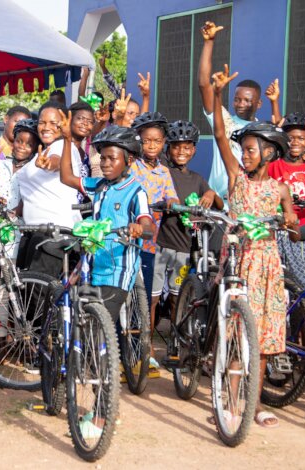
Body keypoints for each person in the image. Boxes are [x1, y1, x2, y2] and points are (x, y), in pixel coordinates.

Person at [211, 65, 298, 429]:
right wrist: (217, 95)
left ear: (267, 153)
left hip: (268, 267)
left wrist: (290, 222)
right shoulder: (235, 178)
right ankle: (230, 402)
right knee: (234, 337)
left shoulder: (280, 189)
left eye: (250, 150)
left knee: (260, 341)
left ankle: (254, 404)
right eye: (243, 149)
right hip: (238, 262)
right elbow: (218, 132)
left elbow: (291, 222)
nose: (244, 155)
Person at [58, 124, 154, 436]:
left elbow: (148, 223)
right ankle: (86, 390)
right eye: (103, 157)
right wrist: (68, 139)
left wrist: (140, 229)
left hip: (117, 273)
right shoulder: (99, 185)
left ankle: (101, 414)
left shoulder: (136, 190)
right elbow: (67, 178)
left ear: (127, 160)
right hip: (90, 266)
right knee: (84, 331)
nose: (107, 162)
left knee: (101, 340)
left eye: (112, 158)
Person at [155, 120, 221, 325]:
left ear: (193, 150)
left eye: (187, 147)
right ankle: (146, 345)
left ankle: (175, 343)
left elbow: (218, 205)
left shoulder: (197, 179)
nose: (181, 151)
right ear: (168, 148)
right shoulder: (163, 170)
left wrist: (211, 192)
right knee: (153, 298)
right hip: (160, 244)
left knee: (178, 296)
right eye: (175, 146)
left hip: (183, 248)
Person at [129, 111, 178, 376]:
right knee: (126, 298)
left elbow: (170, 196)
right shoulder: (131, 165)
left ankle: (142, 352)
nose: (151, 145)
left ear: (162, 143)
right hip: (128, 241)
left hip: (149, 246)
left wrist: (170, 201)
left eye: (156, 141)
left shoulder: (164, 171)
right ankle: (124, 350)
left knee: (145, 300)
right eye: (146, 140)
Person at [16, 101, 84, 278]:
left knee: (37, 295)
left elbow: (56, 162)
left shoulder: (64, 147)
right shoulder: (41, 151)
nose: (46, 127)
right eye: (42, 122)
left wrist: (48, 164)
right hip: (36, 232)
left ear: (64, 125)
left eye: (54, 123)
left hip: (55, 234)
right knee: (26, 297)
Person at [198, 22, 262, 202]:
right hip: (217, 204)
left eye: (247, 100)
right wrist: (209, 42)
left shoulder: (262, 132)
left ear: (259, 103)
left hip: (247, 204)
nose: (241, 104)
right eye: (237, 99)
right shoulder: (224, 120)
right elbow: (204, 85)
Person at [268, 112, 305, 288]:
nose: (295, 142)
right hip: (277, 230)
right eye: (291, 138)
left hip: (302, 233)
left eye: (301, 138)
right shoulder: (273, 166)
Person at [0, 117, 41, 258]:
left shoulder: (34, 170)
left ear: (35, 149)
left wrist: (15, 212)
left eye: (28, 144)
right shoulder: (0, 165)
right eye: (19, 141)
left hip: (18, 231)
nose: (21, 146)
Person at [68, 101, 98, 177]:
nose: (85, 123)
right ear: (69, 119)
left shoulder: (84, 155)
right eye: (81, 118)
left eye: (90, 121)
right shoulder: (60, 147)